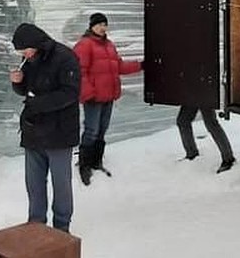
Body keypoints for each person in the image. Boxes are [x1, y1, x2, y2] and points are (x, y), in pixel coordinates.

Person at [11, 23, 81, 233]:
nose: (24, 55)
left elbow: (70, 94)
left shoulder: (65, 57)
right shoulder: (30, 59)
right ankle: (35, 224)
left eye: (25, 50)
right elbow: (27, 90)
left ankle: (61, 226)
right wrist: (18, 83)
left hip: (59, 131)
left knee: (61, 183)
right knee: (34, 182)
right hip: (33, 130)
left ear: (37, 44)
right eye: (21, 52)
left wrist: (37, 104)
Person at [74, 13, 142, 186]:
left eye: (105, 24)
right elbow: (79, 72)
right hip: (94, 97)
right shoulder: (85, 45)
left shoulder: (109, 45)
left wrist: (140, 65)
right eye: (99, 24)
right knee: (91, 130)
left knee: (102, 129)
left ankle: (96, 161)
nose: (102, 28)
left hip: (108, 96)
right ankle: (84, 164)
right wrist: (88, 93)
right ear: (91, 26)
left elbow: (118, 66)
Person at [177, 100, 236, 174]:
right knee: (182, 121)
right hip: (191, 93)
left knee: (211, 124)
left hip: (205, 93)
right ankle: (191, 153)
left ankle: (228, 159)